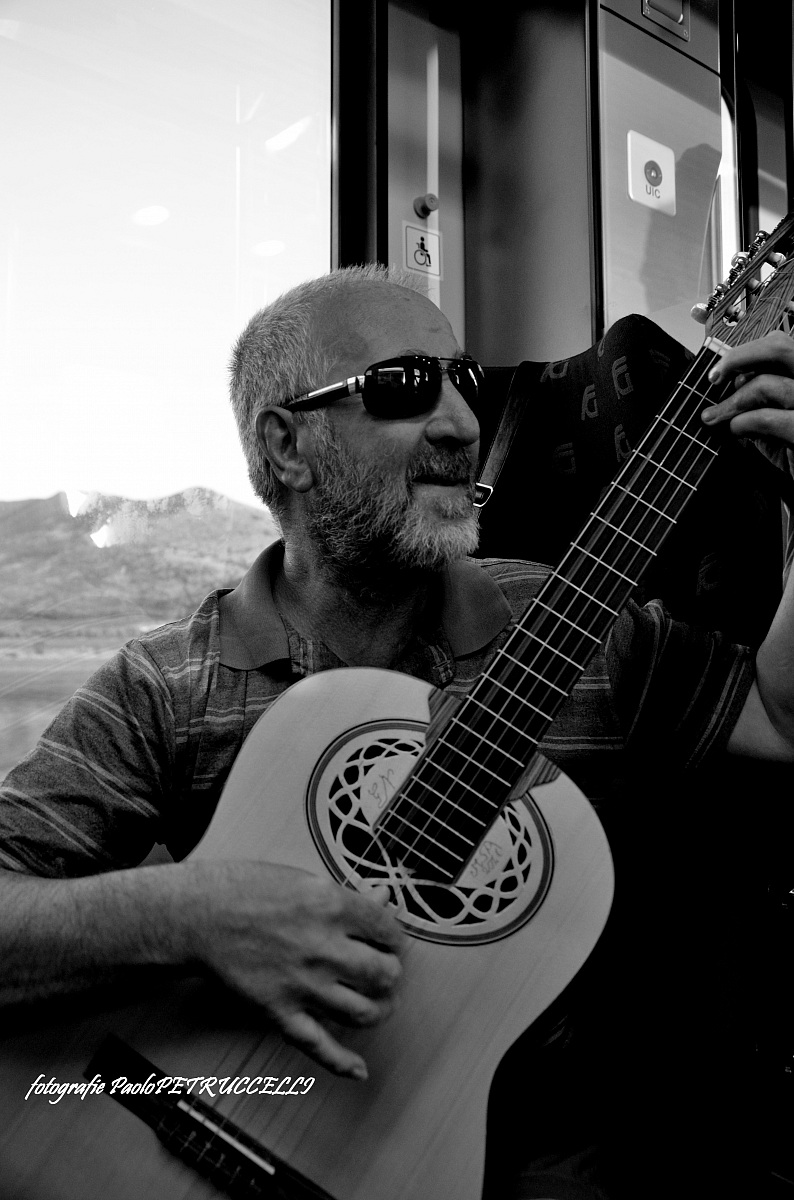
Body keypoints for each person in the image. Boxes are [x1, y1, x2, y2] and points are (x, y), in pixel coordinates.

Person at [1, 264, 793, 1199]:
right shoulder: (168, 684)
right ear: (285, 444)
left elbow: (782, 722)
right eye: (409, 388)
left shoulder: (564, 616)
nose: (463, 422)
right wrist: (196, 917)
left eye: (467, 382)